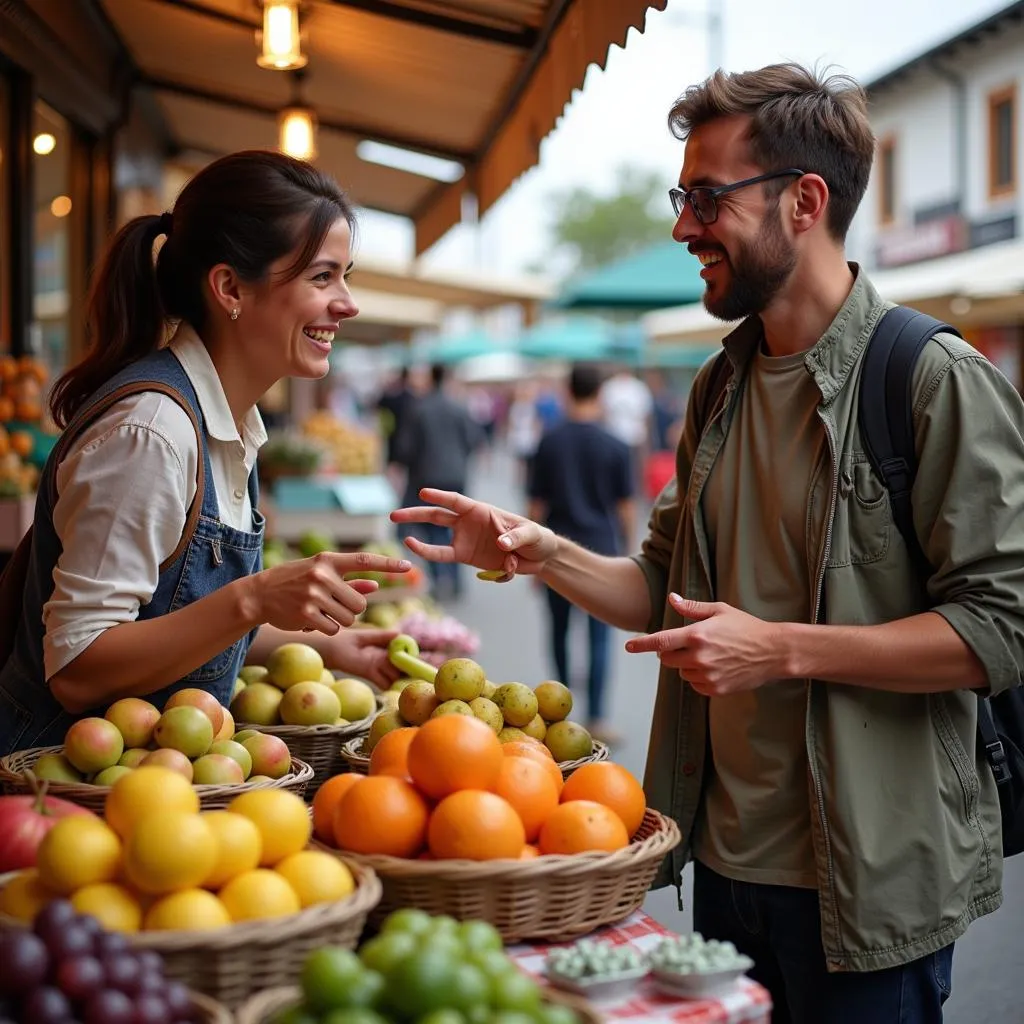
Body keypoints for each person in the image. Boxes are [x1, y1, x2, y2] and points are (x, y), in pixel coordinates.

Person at [392, 64, 1024, 1024]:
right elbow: (661, 589)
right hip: (721, 864)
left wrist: (777, 648)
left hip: (868, 882)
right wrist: (537, 548)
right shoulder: (717, 386)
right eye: (682, 196)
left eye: (707, 196)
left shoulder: (930, 378)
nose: (685, 225)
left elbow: (1001, 630)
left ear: (804, 201)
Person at [0, 150, 411, 756]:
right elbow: (78, 666)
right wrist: (254, 596)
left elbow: (171, 615)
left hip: (160, 784)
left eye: (345, 275)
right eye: (322, 277)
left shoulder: (227, 421)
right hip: (64, 790)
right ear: (229, 288)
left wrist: (329, 648)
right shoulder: (152, 433)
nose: (346, 303)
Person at [527, 364, 635, 744]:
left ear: (567, 391)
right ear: (600, 394)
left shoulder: (549, 441)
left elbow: (536, 505)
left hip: (553, 551)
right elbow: (626, 508)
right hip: (602, 550)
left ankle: (557, 714)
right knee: (599, 637)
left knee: (558, 631)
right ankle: (599, 716)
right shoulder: (616, 445)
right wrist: (627, 549)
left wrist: (529, 560)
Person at [393, 363, 482, 600]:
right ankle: (454, 577)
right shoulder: (459, 408)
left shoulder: (419, 408)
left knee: (431, 525)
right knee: (456, 524)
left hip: (425, 476)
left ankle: (440, 573)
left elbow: (405, 448)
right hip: (455, 475)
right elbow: (474, 440)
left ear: (431, 378)